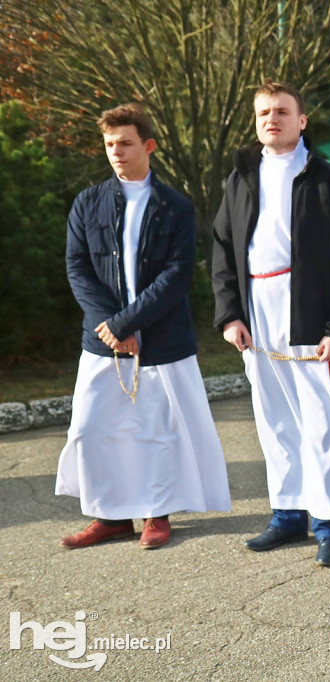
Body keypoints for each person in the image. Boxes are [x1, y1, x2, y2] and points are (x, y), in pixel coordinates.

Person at [211, 81, 330, 567]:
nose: (271, 119)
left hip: (308, 311)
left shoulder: (326, 181)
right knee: (275, 420)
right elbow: (221, 250)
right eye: (263, 113)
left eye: (281, 111)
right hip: (258, 312)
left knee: (321, 422)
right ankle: (288, 514)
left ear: (302, 121)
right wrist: (230, 314)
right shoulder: (240, 177)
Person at [57, 104, 231, 550]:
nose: (116, 151)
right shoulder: (87, 202)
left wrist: (129, 322)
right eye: (110, 144)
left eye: (126, 143)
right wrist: (111, 326)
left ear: (148, 146)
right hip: (102, 343)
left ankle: (157, 513)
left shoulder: (175, 206)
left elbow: (176, 275)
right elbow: (77, 269)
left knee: (158, 429)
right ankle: (111, 518)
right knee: (91, 428)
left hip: (163, 339)